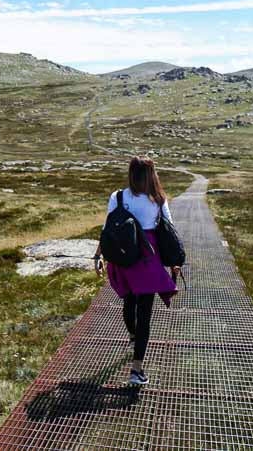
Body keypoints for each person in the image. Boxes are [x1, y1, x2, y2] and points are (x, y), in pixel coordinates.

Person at [94, 156, 181, 386]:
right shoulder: (158, 199)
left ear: (131, 173)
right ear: (152, 174)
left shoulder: (118, 196)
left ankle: (132, 336)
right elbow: (168, 230)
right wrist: (174, 262)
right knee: (145, 313)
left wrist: (98, 255)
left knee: (128, 301)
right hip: (147, 258)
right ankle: (137, 369)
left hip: (124, 256)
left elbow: (107, 228)